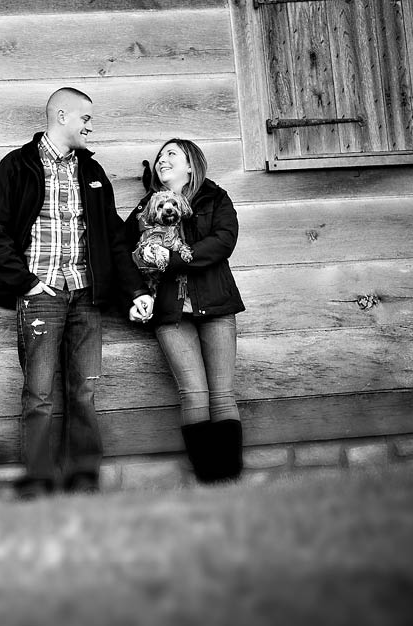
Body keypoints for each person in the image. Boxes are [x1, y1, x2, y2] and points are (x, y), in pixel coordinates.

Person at [0, 87, 154, 498]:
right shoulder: (17, 165)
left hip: (87, 295)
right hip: (41, 294)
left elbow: (113, 238)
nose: (90, 127)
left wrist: (135, 290)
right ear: (62, 116)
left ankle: (83, 476)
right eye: (85, 119)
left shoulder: (92, 171)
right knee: (39, 394)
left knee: (84, 390)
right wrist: (27, 282)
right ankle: (39, 479)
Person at [124, 138, 245, 484]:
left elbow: (223, 241)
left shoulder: (215, 198)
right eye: (159, 156)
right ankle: (209, 479)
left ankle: (230, 480)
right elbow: (125, 254)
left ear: (191, 165)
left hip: (216, 302)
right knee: (193, 393)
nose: (162, 160)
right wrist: (136, 293)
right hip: (171, 310)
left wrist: (173, 259)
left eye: (171, 154)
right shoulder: (146, 208)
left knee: (222, 394)